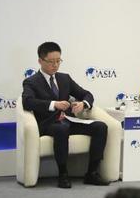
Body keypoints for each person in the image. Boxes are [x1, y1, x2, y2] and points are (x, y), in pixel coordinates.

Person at [22, 41, 109, 188]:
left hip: (69, 120)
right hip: (48, 124)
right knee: (61, 129)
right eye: (51, 62)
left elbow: (87, 94)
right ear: (40, 61)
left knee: (100, 127)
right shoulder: (31, 82)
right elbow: (27, 102)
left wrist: (83, 104)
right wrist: (53, 104)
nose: (55, 65)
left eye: (58, 61)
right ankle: (63, 174)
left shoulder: (64, 78)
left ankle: (92, 173)